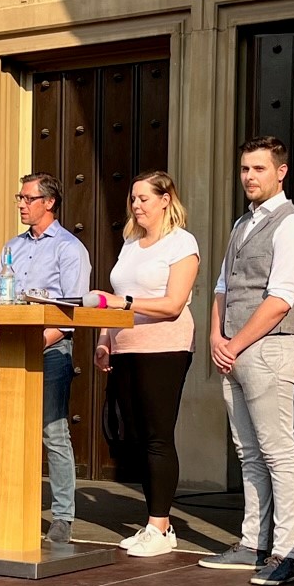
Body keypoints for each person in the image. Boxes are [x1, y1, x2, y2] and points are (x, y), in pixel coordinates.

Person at [202, 137, 294, 586]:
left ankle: (286, 552)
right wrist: (217, 336)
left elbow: (280, 299)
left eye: (259, 169)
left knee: (277, 453)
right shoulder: (241, 224)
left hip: (271, 349)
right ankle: (252, 543)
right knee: (248, 453)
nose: (249, 177)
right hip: (234, 349)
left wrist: (235, 343)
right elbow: (222, 286)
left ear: (280, 172)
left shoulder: (293, 225)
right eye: (245, 169)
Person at [93, 171, 199, 557]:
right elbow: (117, 296)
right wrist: (105, 340)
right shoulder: (131, 244)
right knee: (135, 434)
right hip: (126, 347)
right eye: (133, 200)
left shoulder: (181, 242)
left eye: (144, 199)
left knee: (157, 435)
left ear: (166, 199)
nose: (136, 206)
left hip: (164, 347)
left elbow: (172, 304)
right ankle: (154, 523)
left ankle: (160, 525)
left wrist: (125, 305)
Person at [0, 172, 93, 545]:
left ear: (49, 202)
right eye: (19, 198)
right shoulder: (12, 246)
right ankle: (13, 512)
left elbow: (72, 311)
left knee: (52, 432)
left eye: (27, 198)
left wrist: (37, 341)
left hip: (51, 350)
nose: (21, 204)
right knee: (12, 432)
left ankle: (62, 517)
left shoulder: (70, 249)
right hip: (13, 350)